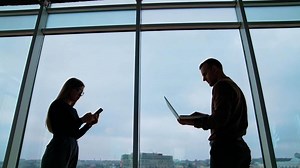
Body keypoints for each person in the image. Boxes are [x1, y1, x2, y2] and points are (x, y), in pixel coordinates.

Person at [178, 58, 251, 168]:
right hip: (238, 148)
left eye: (205, 74)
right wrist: (199, 117)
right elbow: (224, 117)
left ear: (215, 69)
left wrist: (191, 121)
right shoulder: (233, 86)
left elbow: (219, 120)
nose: (203, 79)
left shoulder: (221, 86)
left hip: (225, 150)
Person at [41, 77, 100, 168]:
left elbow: (74, 135)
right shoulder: (57, 105)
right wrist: (82, 120)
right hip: (59, 150)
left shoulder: (72, 110)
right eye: (78, 90)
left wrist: (88, 124)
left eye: (81, 92)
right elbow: (64, 129)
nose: (80, 94)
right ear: (69, 89)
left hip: (69, 150)